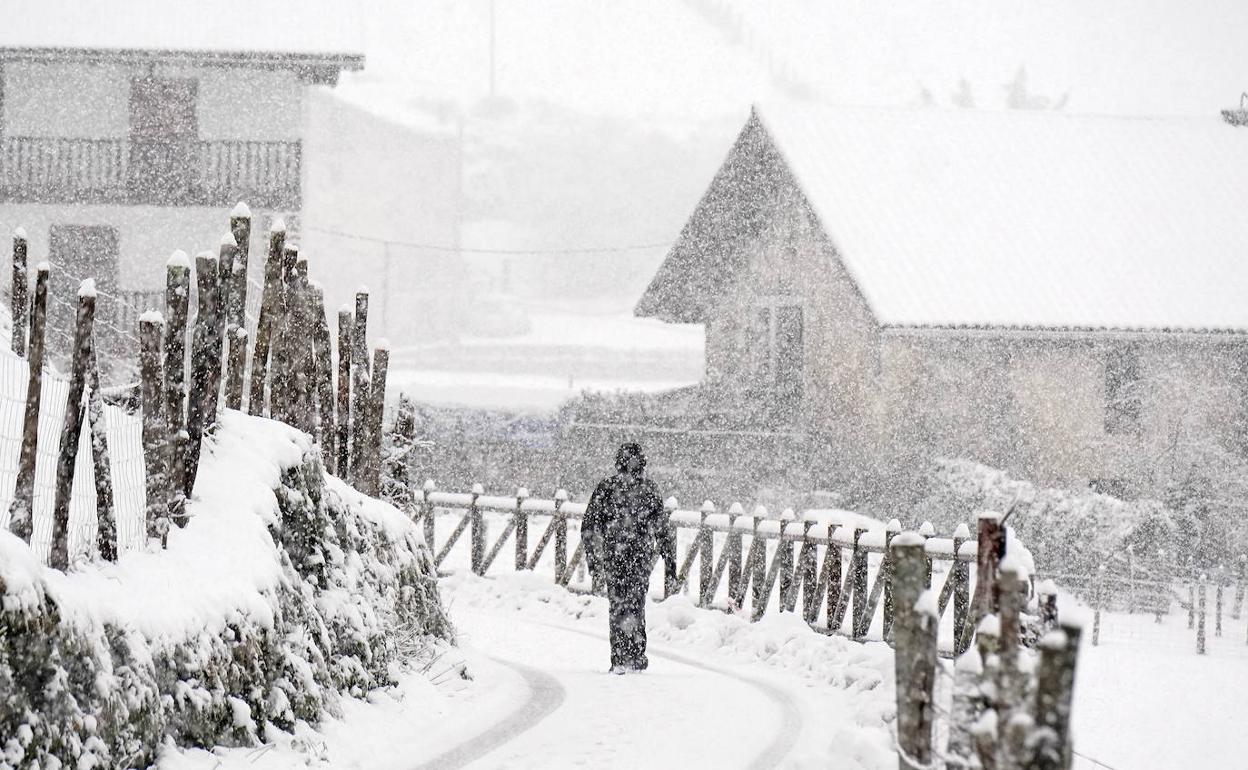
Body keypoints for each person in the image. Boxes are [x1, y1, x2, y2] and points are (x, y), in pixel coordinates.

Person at [582, 442, 676, 674]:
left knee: (619, 605)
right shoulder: (648, 489)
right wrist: (669, 558)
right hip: (638, 557)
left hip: (615, 556)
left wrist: (594, 559)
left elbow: (590, 526)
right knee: (634, 604)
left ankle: (621, 657)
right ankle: (634, 654)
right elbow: (663, 528)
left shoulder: (607, 488)